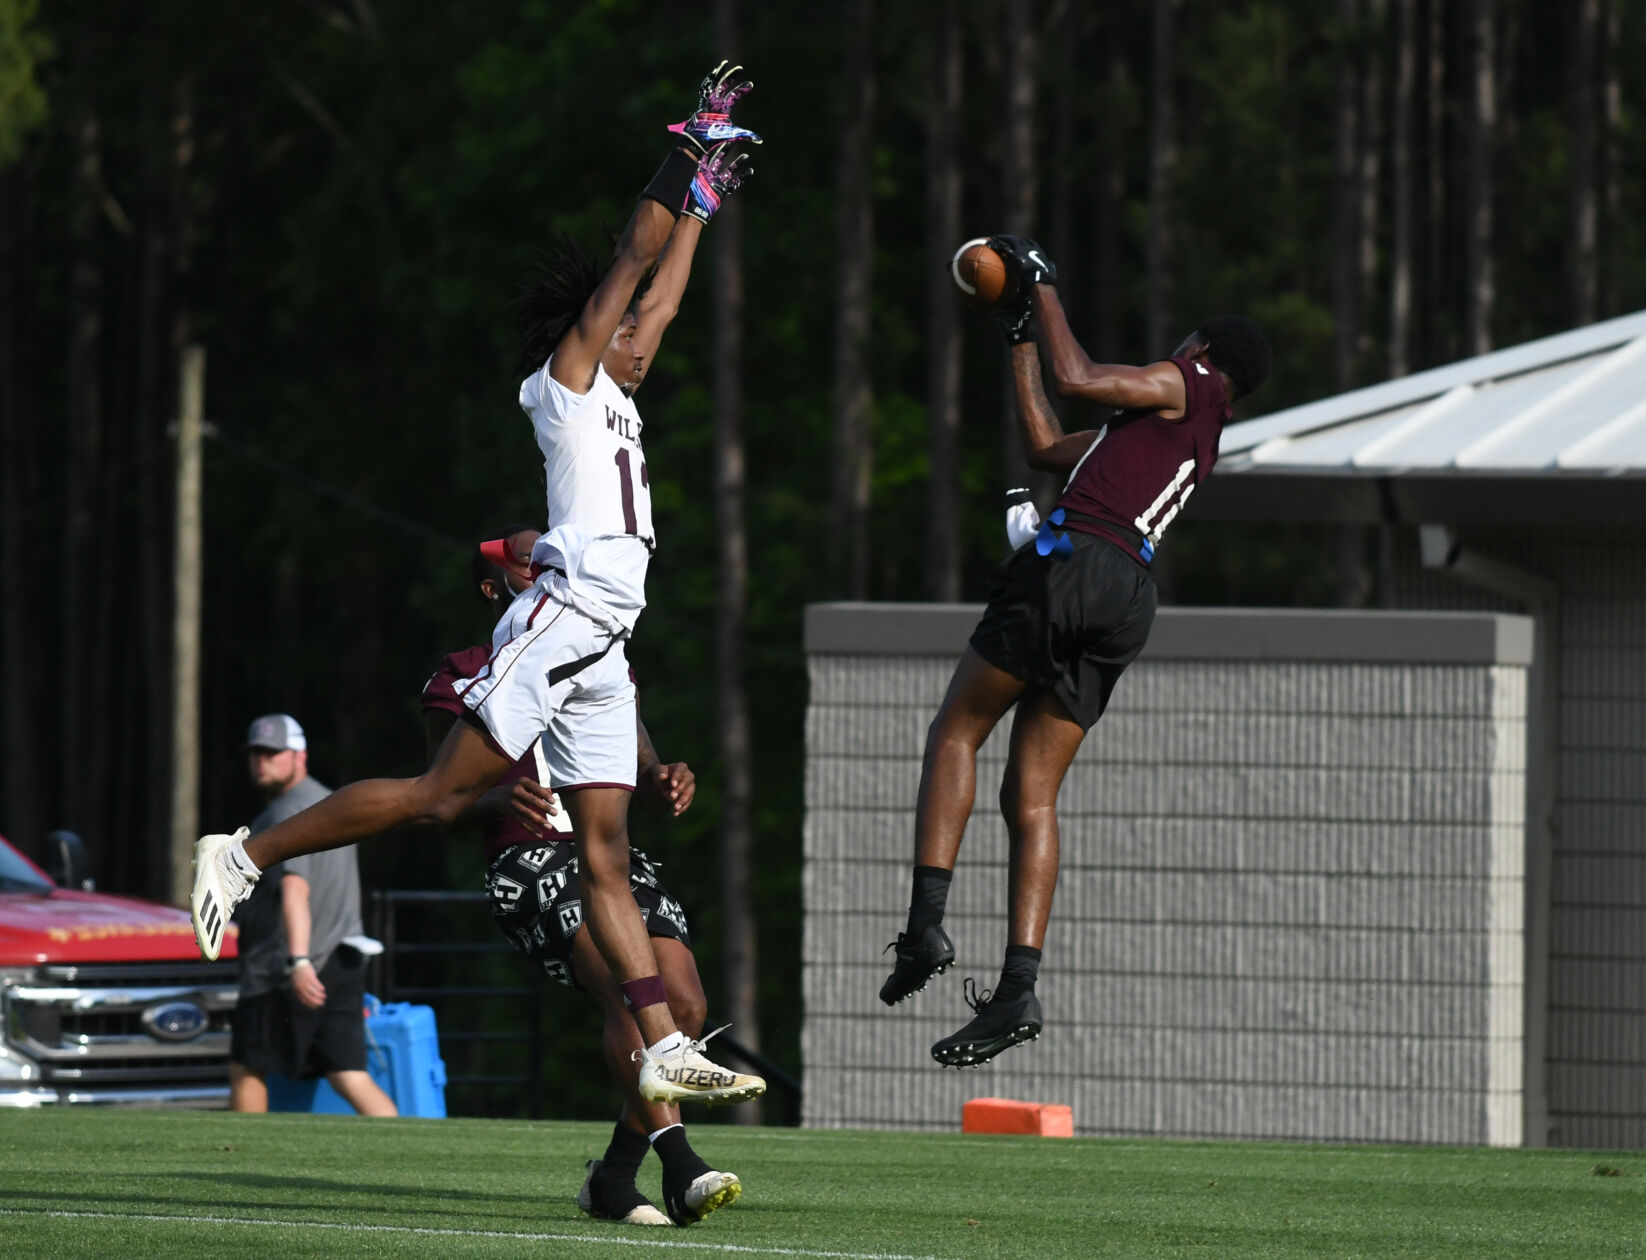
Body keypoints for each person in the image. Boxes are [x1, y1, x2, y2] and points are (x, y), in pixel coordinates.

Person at [191, 62, 764, 1109]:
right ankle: (243, 854)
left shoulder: (620, 396)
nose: (636, 332)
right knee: (436, 798)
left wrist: (705, 206)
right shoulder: (563, 384)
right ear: (582, 336)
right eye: (616, 326)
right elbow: (632, 264)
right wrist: (682, 152)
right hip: (570, 608)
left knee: (605, 843)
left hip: (607, 637)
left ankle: (658, 1039)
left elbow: (664, 292)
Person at [880, 235, 1272, 1067]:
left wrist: (1044, 281)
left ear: (1201, 350)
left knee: (956, 731)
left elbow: (1080, 377)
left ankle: (924, 927)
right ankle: (1018, 987)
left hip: (1077, 563)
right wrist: (1019, 332)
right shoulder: (1175, 437)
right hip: (1127, 593)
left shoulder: (1189, 383)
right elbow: (1044, 445)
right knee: (1034, 794)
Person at [421, 525, 737, 1227]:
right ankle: (682, 1164)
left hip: (607, 858)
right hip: (529, 861)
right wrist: (498, 798)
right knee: (630, 991)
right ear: (494, 588)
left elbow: (642, 771)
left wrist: (666, 779)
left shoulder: (598, 647)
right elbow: (439, 803)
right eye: (528, 567)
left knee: (682, 1005)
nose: (545, 571)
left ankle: (615, 1179)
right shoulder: (462, 670)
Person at [229, 714, 397, 1117]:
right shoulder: (334, 804)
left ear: (299, 755)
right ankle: (411, 1151)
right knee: (349, 1074)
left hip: (289, 970)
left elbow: (295, 889)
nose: (261, 762)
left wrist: (298, 961)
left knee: (246, 1066)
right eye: (255, 754)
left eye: (272, 753)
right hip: (343, 958)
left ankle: (239, 1159)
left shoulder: (285, 813)